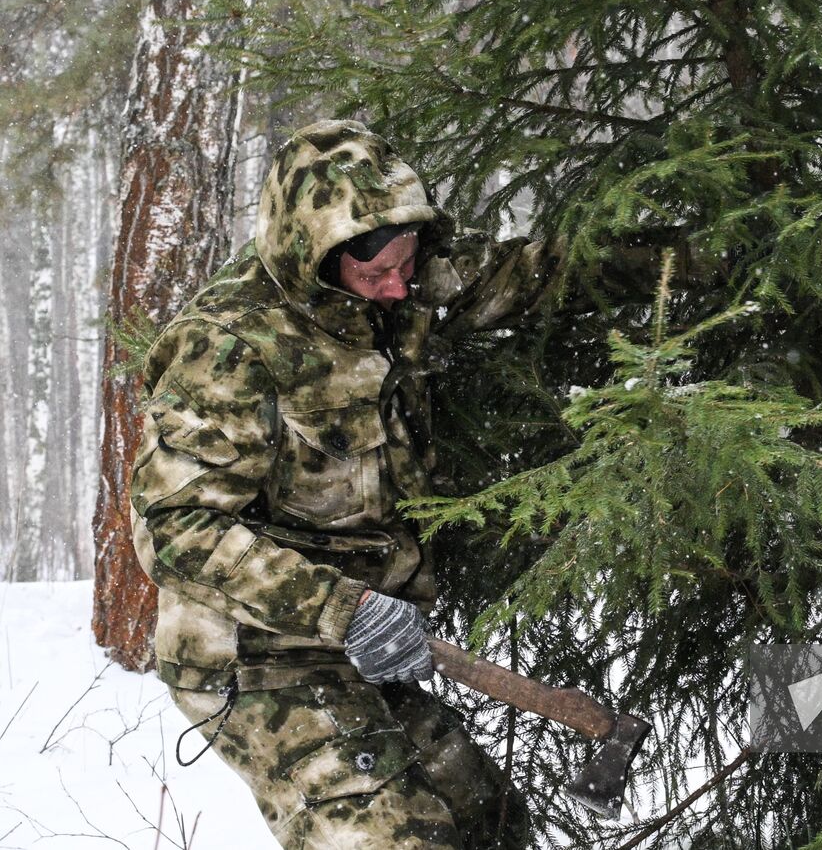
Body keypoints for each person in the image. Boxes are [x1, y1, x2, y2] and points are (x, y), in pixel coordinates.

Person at [128, 120, 542, 849]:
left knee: (489, 825)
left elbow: (533, 270)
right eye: (375, 273)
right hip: (253, 653)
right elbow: (175, 528)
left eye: (406, 265)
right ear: (314, 255)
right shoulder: (229, 345)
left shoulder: (396, 279)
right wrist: (339, 609)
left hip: (363, 639)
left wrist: (715, 259)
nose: (396, 288)